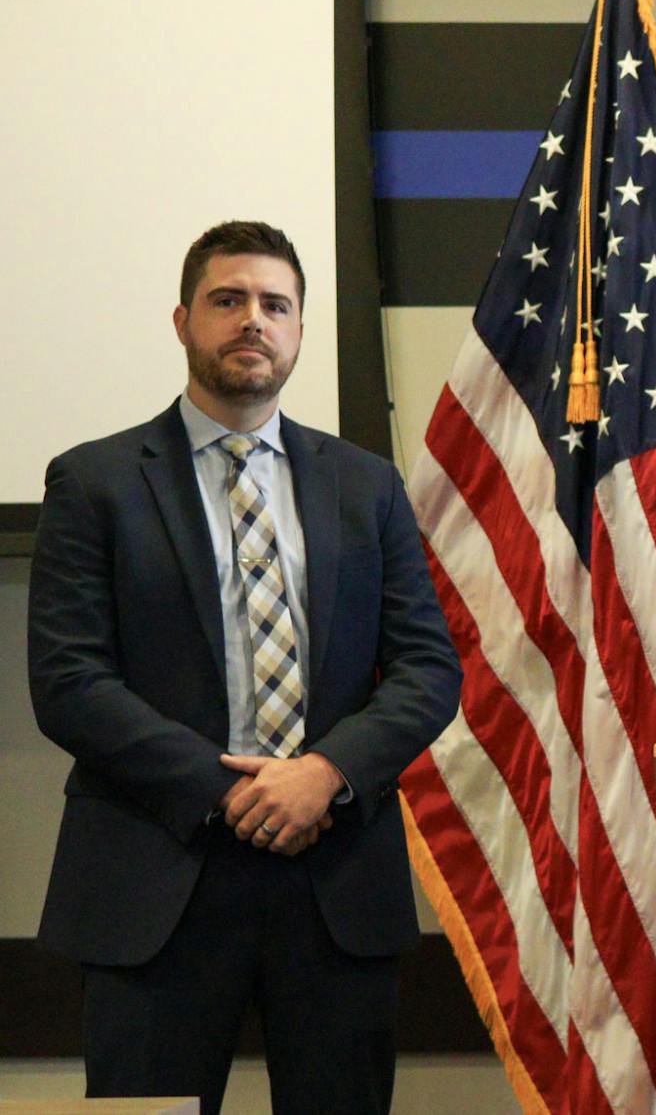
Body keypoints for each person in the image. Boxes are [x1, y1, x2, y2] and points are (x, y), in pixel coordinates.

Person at [27, 221, 463, 1114]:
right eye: (228, 300)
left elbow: (427, 666)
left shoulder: (367, 485)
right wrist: (233, 791)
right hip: (158, 877)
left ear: (300, 329)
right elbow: (69, 681)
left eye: (275, 304)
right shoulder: (94, 481)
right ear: (183, 320)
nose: (252, 320)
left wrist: (324, 772)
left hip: (333, 875)